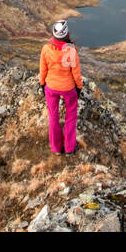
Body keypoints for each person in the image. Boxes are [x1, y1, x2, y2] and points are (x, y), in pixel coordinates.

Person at [39, 20, 84, 154]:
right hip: (68, 88)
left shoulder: (46, 48)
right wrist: (79, 88)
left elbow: (43, 69)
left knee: (53, 116)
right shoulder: (70, 50)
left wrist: (42, 84)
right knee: (71, 117)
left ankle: (56, 148)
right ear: (66, 34)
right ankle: (70, 148)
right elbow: (76, 73)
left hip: (51, 87)